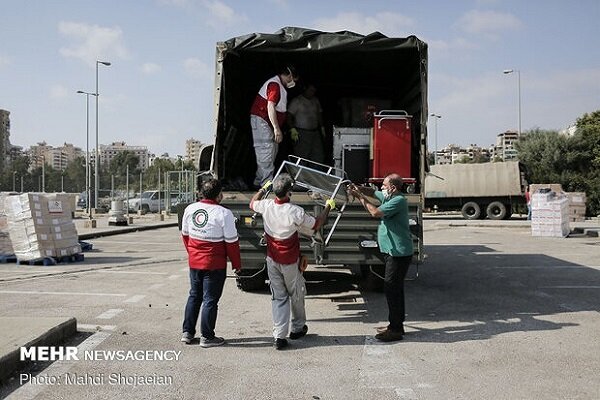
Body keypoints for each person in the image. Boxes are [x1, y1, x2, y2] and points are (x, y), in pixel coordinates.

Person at [249, 173, 334, 350]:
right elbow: (317, 224)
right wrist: (328, 206)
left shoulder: (266, 205)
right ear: (289, 192)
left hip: (272, 259)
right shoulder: (295, 211)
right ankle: (297, 328)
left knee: (278, 297)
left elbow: (252, 203)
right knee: (296, 294)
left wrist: (263, 189)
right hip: (289, 262)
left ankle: (279, 336)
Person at [348, 174, 413, 342]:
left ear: (392, 187)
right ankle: (396, 325)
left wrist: (359, 197)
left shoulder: (398, 200)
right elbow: (373, 191)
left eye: (384, 185)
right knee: (395, 289)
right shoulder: (388, 196)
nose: (381, 188)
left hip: (398, 253)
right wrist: (359, 188)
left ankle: (395, 329)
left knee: (391, 289)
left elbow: (375, 212)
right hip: (392, 251)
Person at [180, 178, 241, 347]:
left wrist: (192, 253)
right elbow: (232, 243)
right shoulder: (224, 213)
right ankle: (207, 336)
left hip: (195, 262)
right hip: (214, 264)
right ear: (219, 195)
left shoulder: (190, 209)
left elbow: (185, 235)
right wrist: (237, 265)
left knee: (194, 295)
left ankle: (187, 332)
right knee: (210, 300)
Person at [250, 65, 299, 189]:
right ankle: (266, 184)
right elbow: (270, 106)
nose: (293, 83)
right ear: (289, 76)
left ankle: (259, 181)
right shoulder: (275, 85)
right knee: (266, 151)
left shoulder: (279, 86)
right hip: (262, 120)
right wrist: (276, 129)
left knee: (271, 152)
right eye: (294, 80)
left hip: (267, 122)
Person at [287, 83, 325, 164]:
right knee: (301, 156)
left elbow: (319, 114)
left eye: (314, 91)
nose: (312, 92)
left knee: (318, 156)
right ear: (305, 89)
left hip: (315, 133)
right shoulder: (297, 101)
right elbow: (289, 116)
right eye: (310, 90)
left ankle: (314, 175)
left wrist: (322, 128)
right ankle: (300, 175)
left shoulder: (315, 100)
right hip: (302, 133)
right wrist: (292, 129)